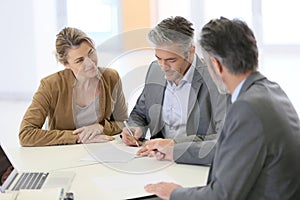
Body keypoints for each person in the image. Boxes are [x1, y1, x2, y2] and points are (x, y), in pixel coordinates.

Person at [143, 17, 300, 199]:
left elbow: (221, 196)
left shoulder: (246, 108)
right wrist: (174, 150)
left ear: (216, 65)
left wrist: (174, 193)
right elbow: (232, 150)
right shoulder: (271, 91)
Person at [121, 16, 227, 165]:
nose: (163, 66)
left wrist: (174, 145)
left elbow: (225, 138)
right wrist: (135, 128)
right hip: (156, 161)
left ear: (191, 51)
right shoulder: (155, 70)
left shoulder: (215, 80)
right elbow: (140, 113)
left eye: (171, 60)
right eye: (158, 58)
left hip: (195, 165)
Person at [19, 27, 128, 146]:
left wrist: (101, 127)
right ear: (65, 64)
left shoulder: (111, 77)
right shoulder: (50, 85)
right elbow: (26, 134)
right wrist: (78, 137)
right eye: (80, 60)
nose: (90, 63)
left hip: (102, 151)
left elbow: (124, 122)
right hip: (64, 155)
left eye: (91, 53)